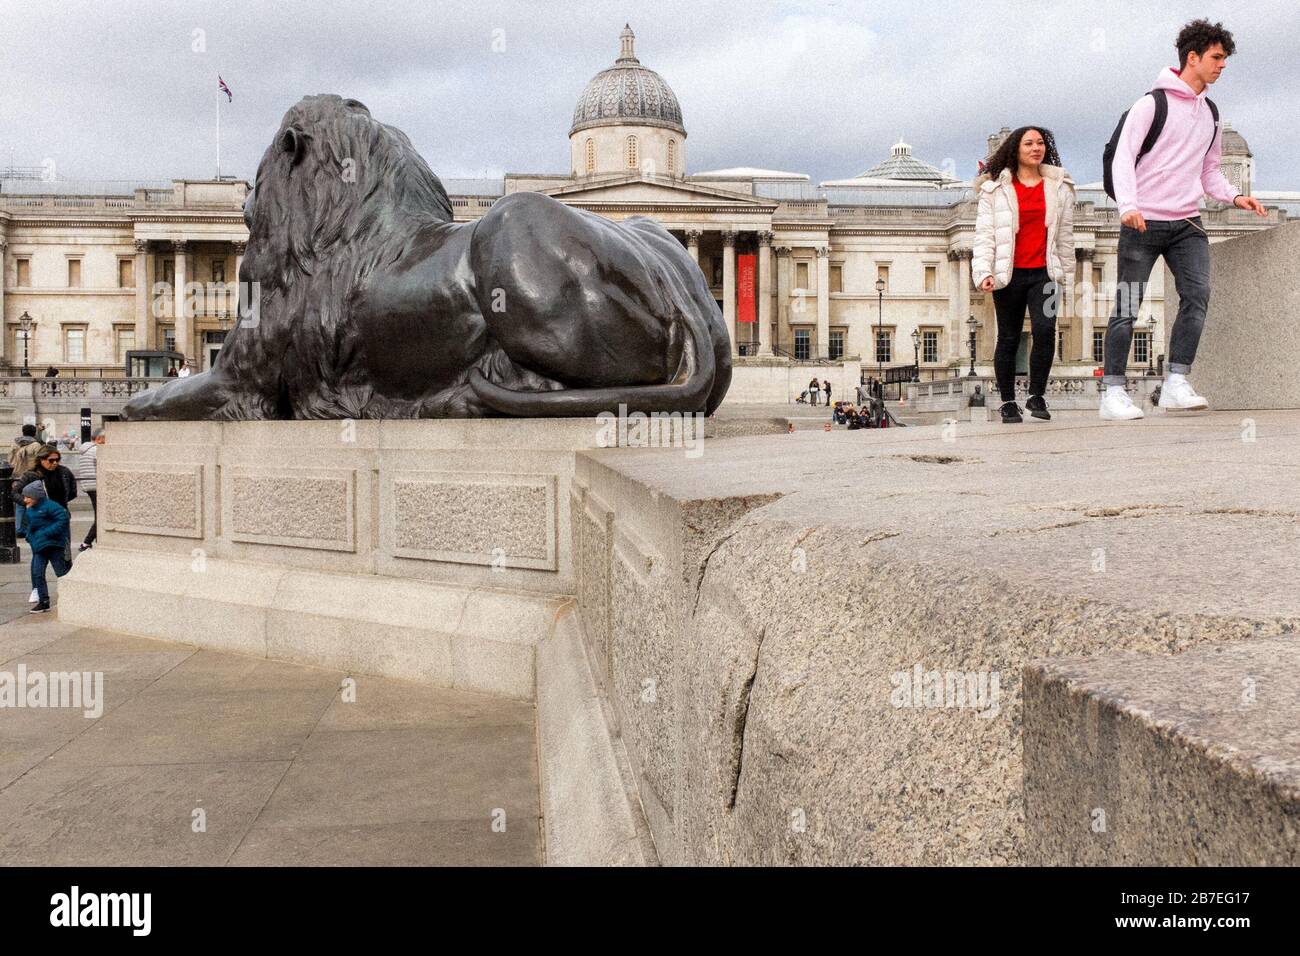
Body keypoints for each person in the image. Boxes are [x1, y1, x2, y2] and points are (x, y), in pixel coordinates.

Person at [1100, 19, 1267, 420]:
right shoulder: (1151, 104)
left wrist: (1234, 195)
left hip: (1187, 223)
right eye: (1216, 58)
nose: (1221, 66)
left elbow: (1209, 171)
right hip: (1142, 222)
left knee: (1197, 296)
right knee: (1128, 305)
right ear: (1192, 58)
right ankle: (1113, 392)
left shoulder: (1210, 111)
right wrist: (1128, 206)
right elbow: (1123, 158)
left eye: (1224, 59)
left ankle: (1176, 381)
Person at [973, 126, 1075, 424]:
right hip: (1009, 274)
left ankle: (1036, 395)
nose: (1035, 148)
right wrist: (983, 271)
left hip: (1045, 273)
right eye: (1028, 143)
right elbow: (984, 235)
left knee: (1045, 331)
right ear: (1016, 149)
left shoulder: (1059, 187)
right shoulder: (995, 190)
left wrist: (1065, 275)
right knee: (1008, 336)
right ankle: (1007, 401)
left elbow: (1065, 236)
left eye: (1040, 143)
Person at [21, 481, 71, 614]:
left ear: (36, 496)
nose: (25, 500)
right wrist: (30, 537)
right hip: (39, 546)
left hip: (54, 545)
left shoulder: (50, 506)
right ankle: (43, 601)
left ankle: (69, 597)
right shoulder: (30, 509)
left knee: (60, 572)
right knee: (38, 573)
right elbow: (30, 526)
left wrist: (46, 533)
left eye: (27, 497)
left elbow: (63, 519)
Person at [8, 424, 43, 539]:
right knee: (32, 500)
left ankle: (19, 528)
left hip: (16, 476)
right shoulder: (35, 445)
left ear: (23, 432)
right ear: (34, 433)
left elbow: (9, 460)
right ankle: (29, 528)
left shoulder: (15, 444)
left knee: (20, 502)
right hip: (30, 475)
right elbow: (40, 460)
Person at [76, 429, 103, 551]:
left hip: (89, 485)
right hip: (97, 485)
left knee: (99, 514)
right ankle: (87, 542)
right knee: (101, 516)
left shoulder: (85, 450)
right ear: (99, 439)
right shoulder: (97, 450)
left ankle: (94, 540)